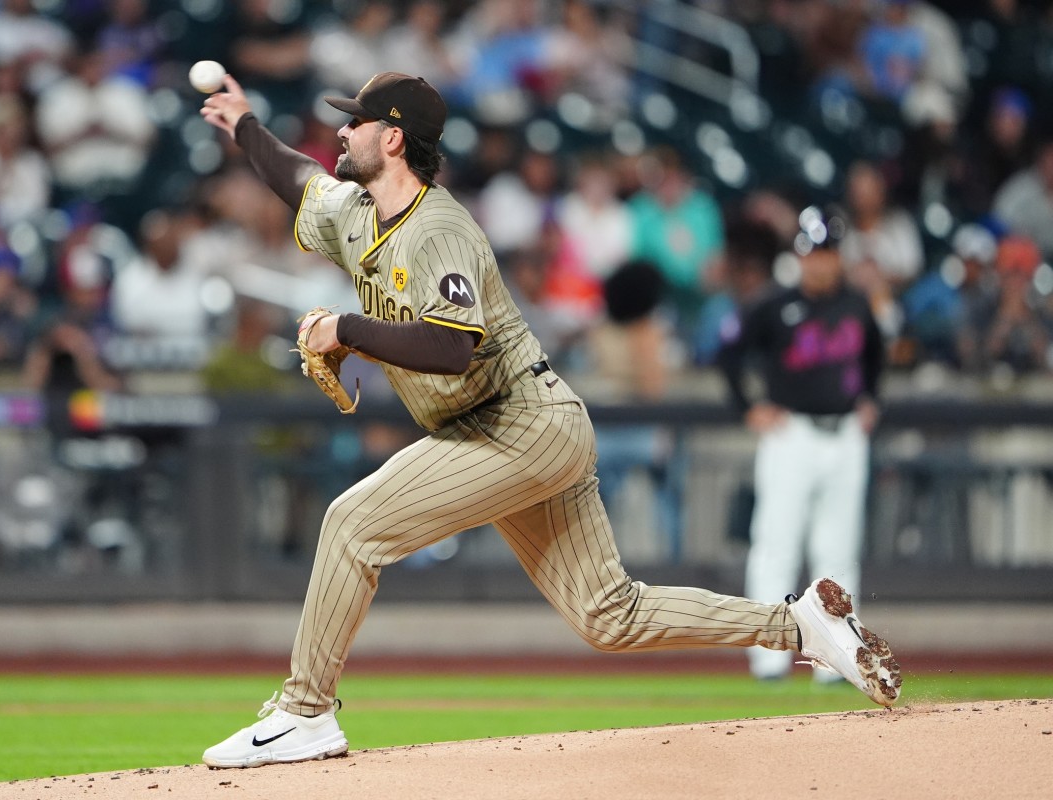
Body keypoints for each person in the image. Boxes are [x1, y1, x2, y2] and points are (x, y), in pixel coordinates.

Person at [197, 70, 902, 769]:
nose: (341, 131)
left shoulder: (439, 229)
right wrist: (246, 126)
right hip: (509, 428)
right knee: (609, 614)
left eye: (356, 121)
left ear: (394, 138)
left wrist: (347, 328)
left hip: (519, 420)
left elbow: (451, 346)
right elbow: (297, 180)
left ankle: (305, 711)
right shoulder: (353, 211)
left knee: (352, 525)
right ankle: (801, 624)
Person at [718, 206, 886, 682]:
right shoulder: (773, 304)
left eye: (829, 252)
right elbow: (727, 353)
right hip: (791, 435)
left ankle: (838, 660)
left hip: (845, 435)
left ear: (839, 256)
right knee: (777, 544)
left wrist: (871, 398)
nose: (821, 262)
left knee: (838, 550)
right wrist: (747, 407)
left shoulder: (856, 303)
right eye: (813, 252)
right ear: (799, 254)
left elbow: (875, 356)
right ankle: (767, 658)